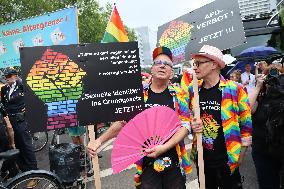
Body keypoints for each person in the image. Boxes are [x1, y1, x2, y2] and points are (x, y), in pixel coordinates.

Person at [88, 46, 203, 189]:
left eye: (167, 64)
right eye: (158, 62)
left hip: (174, 159)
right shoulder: (138, 95)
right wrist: (99, 141)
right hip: (146, 161)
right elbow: (123, 123)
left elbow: (185, 126)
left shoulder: (179, 95)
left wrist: (164, 147)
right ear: (152, 69)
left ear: (172, 73)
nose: (162, 65)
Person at [188, 45, 252, 189]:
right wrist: (192, 125)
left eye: (199, 63)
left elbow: (246, 125)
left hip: (228, 160)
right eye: (194, 63)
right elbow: (188, 119)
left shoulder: (235, 89)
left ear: (214, 64)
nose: (195, 67)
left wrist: (239, 157)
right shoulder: (193, 90)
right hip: (203, 161)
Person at [0, 68, 38, 188]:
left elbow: (33, 98)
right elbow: (4, 104)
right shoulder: (5, 89)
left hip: (21, 120)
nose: (7, 79)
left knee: (26, 146)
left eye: (9, 76)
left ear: (15, 75)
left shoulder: (22, 84)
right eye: (6, 77)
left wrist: (27, 109)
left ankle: (34, 175)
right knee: (17, 146)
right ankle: (25, 171)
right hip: (10, 121)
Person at [249, 62, 284, 189]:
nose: (274, 79)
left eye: (279, 75)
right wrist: (258, 86)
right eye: (271, 75)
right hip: (262, 150)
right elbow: (246, 110)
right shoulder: (260, 96)